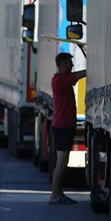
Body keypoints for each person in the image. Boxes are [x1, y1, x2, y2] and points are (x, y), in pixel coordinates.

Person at [49, 52, 86, 205]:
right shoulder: (60, 80)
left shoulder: (61, 79)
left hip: (63, 126)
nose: (72, 66)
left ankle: (59, 193)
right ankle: (55, 195)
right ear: (63, 65)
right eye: (70, 64)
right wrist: (92, 69)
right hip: (63, 126)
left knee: (63, 161)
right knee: (62, 162)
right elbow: (78, 76)